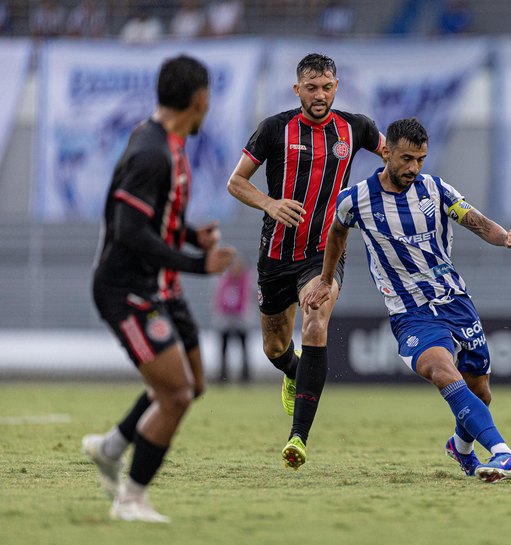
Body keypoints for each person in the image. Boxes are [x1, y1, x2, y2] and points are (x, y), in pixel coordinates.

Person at [303, 118, 511, 483]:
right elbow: (337, 233)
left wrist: (505, 238)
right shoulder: (356, 199)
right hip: (410, 312)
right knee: (441, 371)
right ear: (387, 152)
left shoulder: (435, 190)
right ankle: (504, 454)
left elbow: (477, 221)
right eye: (407, 159)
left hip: (455, 301)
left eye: (421, 159)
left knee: (480, 392)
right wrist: (326, 280)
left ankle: (462, 447)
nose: (413, 168)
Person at [82, 55, 236, 523]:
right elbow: (129, 230)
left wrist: (191, 235)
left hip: (150, 286)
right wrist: (196, 262)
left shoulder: (164, 142)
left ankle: (111, 448)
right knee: (176, 394)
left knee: (188, 386)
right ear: (200, 98)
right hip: (124, 289)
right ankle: (130, 499)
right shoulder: (152, 151)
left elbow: (152, 218)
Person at [226, 53, 384, 469]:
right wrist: (270, 203)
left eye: (326, 87)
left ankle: (298, 437)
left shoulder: (357, 128)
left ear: (337, 87)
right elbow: (236, 181)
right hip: (276, 254)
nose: (319, 95)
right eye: (311, 87)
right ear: (297, 89)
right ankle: (292, 371)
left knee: (315, 323)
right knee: (274, 346)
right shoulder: (275, 129)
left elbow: (394, 160)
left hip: (323, 253)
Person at [214, 258, 253, 382]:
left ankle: (245, 375)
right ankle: (223, 374)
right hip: (227, 316)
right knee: (224, 347)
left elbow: (246, 299)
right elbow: (219, 298)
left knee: (243, 346)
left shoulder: (245, 281)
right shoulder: (225, 281)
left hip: (239, 316)